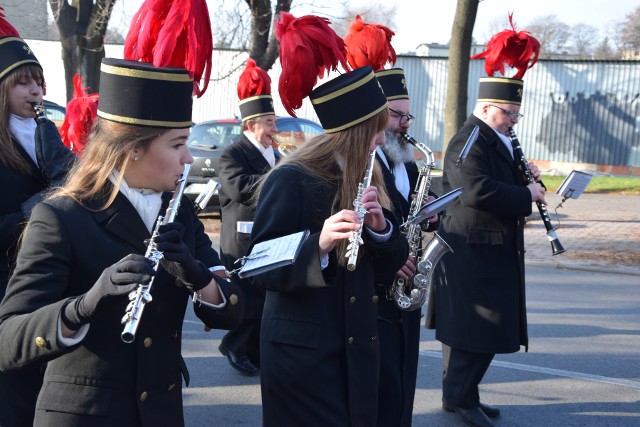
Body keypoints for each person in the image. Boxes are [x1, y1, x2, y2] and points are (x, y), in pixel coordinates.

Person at [249, 12, 409, 427]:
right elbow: (259, 264)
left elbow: (391, 260)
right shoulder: (291, 179)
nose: (382, 139)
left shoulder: (370, 171)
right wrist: (315, 244)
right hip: (302, 353)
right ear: (354, 132)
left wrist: (382, 230)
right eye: (376, 130)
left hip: (356, 342)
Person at [426, 15, 544, 427]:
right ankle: (460, 400)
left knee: (480, 333)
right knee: (474, 332)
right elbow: (476, 191)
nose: (514, 120)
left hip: (490, 248)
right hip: (471, 250)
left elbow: (500, 184)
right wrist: (525, 194)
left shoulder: (496, 138)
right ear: (488, 108)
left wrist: (528, 180)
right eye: (509, 112)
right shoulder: (470, 139)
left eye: (516, 114)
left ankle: (462, 396)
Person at [343, 16, 440, 426]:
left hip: (406, 280)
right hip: (378, 287)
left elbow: (409, 206)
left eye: (407, 117)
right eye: (397, 117)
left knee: (403, 377)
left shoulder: (404, 158)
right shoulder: (359, 160)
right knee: (380, 385)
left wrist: (430, 206)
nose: (405, 125)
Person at [0, 11, 76, 426]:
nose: (36, 91)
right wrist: (42, 209)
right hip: (6, 287)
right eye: (24, 83)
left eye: (38, 81)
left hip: (47, 283)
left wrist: (68, 172)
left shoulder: (45, 132)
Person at [217, 58, 279, 376]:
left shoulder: (277, 154)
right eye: (269, 122)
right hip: (241, 241)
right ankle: (233, 346)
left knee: (266, 300)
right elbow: (241, 189)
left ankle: (252, 350)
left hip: (269, 238)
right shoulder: (232, 154)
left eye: (274, 121)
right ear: (250, 125)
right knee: (248, 301)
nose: (275, 128)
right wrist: (280, 175)